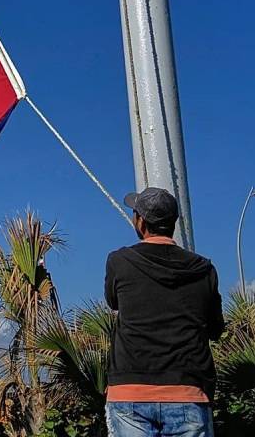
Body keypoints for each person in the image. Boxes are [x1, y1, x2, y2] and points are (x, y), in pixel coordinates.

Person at [105, 187, 225, 437]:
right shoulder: (204, 269)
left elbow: (113, 301)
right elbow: (215, 329)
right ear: (174, 222)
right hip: (188, 390)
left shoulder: (120, 262)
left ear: (140, 221)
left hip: (130, 390)